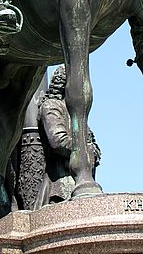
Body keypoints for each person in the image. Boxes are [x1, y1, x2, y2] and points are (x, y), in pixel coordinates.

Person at [34, 66, 101, 209]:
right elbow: (57, 141)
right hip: (59, 186)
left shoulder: (77, 114)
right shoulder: (52, 106)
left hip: (80, 183)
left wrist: (94, 150)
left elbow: (94, 145)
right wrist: (86, 148)